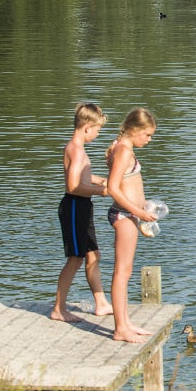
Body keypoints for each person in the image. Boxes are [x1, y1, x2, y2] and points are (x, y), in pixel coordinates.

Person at [52, 102, 114, 323]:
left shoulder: (75, 148)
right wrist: (102, 191)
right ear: (87, 127)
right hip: (75, 206)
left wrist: (103, 181)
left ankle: (101, 303)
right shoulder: (77, 151)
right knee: (75, 259)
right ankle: (59, 308)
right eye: (97, 130)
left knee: (93, 255)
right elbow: (72, 186)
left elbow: (82, 178)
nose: (97, 134)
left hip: (81, 207)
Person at [105, 107, 159, 344]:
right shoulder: (124, 151)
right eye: (147, 135)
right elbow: (113, 188)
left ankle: (125, 322)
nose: (149, 140)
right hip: (124, 216)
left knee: (125, 273)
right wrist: (137, 211)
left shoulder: (121, 147)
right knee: (122, 273)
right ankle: (120, 329)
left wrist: (143, 207)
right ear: (135, 130)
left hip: (131, 215)